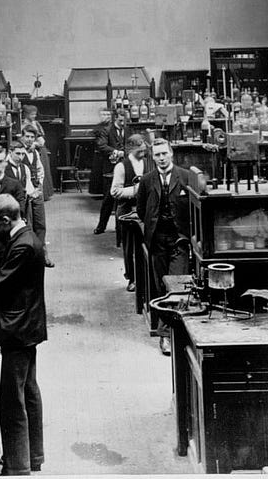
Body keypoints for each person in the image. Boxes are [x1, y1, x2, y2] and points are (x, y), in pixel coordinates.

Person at [0, 194, 47, 476]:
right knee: (28, 392)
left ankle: (17, 468)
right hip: (27, 325)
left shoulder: (22, 245)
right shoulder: (26, 237)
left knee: (12, 400)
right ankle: (32, 457)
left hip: (17, 328)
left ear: (6, 220)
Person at [136, 137, 194, 356]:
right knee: (161, 287)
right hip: (157, 240)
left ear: (171, 154)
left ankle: (167, 336)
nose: (161, 158)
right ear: (153, 157)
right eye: (157, 155)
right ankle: (168, 331)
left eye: (164, 154)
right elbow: (142, 209)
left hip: (179, 239)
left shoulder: (186, 176)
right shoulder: (147, 180)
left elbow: (192, 207)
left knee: (176, 285)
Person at [111, 134, 147, 292]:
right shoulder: (121, 166)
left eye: (144, 149)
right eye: (139, 150)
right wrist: (135, 190)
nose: (143, 152)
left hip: (144, 209)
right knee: (129, 246)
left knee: (144, 245)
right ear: (130, 149)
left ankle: (144, 277)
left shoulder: (147, 163)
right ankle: (132, 278)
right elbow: (115, 191)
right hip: (126, 210)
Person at [20, 125, 53, 267]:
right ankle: (30, 257)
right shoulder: (18, 152)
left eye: (32, 137)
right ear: (22, 137)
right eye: (27, 136)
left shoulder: (35, 152)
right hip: (24, 194)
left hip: (36, 192)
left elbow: (40, 169)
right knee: (28, 223)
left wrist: (39, 185)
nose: (29, 139)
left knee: (41, 224)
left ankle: (43, 254)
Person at [93, 109, 128, 234]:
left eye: (125, 121)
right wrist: (115, 151)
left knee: (123, 201)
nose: (123, 123)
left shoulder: (128, 130)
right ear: (115, 119)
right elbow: (101, 145)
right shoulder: (106, 130)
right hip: (110, 169)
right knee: (108, 199)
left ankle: (120, 228)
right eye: (120, 121)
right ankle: (101, 227)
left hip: (125, 168)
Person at [20, 105, 53, 203]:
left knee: (41, 170)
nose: (34, 116)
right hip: (29, 149)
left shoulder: (36, 123)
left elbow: (41, 138)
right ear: (26, 114)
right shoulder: (22, 124)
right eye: (32, 114)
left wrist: (38, 143)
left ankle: (44, 194)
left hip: (40, 148)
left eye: (35, 114)